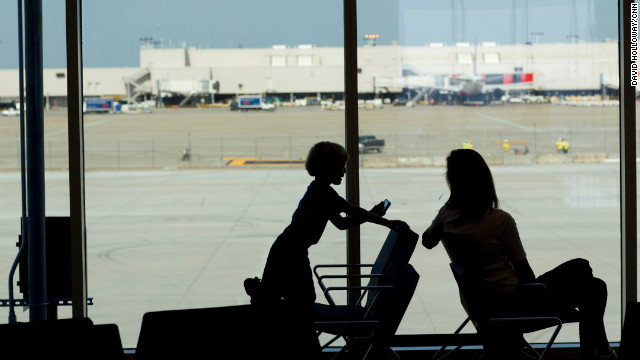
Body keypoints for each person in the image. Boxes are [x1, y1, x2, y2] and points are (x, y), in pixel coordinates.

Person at [421, 149, 616, 360]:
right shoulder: (498, 220)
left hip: (483, 306)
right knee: (591, 282)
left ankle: (600, 354)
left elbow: (427, 240)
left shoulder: (446, 216)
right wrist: (540, 290)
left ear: (453, 180)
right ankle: (598, 354)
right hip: (513, 304)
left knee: (585, 274)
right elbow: (525, 273)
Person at [245, 141, 408, 359]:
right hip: (290, 252)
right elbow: (351, 210)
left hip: (288, 250)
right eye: (341, 165)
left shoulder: (317, 191)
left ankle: (295, 343)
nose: (344, 170)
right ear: (328, 166)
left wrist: (371, 216)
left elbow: (342, 223)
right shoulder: (323, 192)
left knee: (292, 305)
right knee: (300, 305)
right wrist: (386, 222)